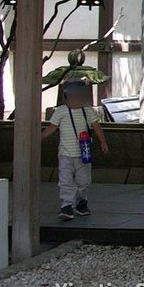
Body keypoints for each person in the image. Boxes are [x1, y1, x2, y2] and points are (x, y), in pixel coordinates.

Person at [41, 79, 109, 221]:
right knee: (65, 180)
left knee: (83, 180)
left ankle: (81, 202)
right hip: (65, 153)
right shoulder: (60, 112)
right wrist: (38, 138)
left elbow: (97, 127)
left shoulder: (88, 111)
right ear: (65, 97)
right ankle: (66, 205)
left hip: (83, 153)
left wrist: (103, 141)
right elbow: (51, 128)